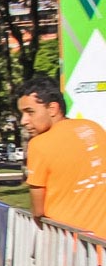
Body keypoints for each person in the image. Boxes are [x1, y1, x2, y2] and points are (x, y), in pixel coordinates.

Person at [17, 76, 106, 238]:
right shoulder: (94, 128)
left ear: (52, 108)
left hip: (71, 246)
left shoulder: (39, 144)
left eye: (30, 112)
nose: (24, 121)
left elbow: (38, 210)